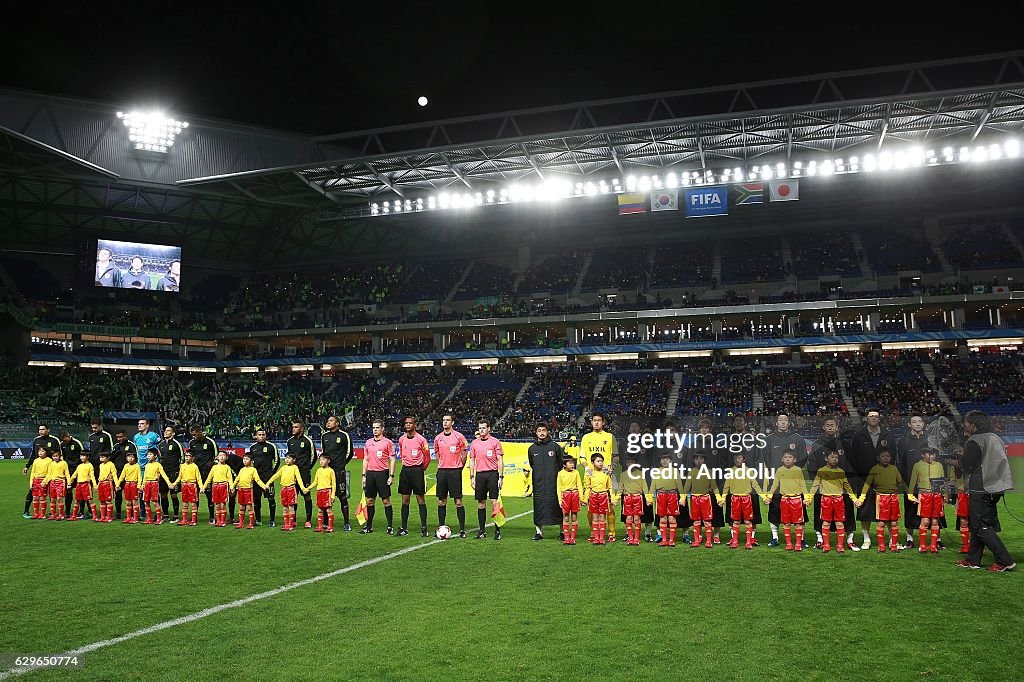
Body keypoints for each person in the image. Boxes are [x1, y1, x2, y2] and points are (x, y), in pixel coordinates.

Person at [955, 410, 1016, 572]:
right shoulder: (995, 437)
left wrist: (953, 461)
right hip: (996, 487)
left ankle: (1004, 560)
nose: (964, 425)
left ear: (973, 426)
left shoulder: (975, 440)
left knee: (980, 526)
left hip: (981, 486)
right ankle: (973, 560)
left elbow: (967, 465)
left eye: (966, 423)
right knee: (981, 524)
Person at [807, 416, 856, 549]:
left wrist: (850, 481)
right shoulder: (817, 443)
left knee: (847, 514)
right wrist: (817, 480)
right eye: (827, 425)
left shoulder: (844, 444)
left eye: (832, 425)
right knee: (821, 515)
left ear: (837, 427)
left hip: (842, 487)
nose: (830, 427)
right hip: (823, 487)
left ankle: (850, 539)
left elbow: (852, 463)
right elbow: (812, 463)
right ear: (823, 427)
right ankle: (820, 539)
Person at [848, 409, 892, 550]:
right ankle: (866, 538)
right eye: (871, 416)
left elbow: (894, 457)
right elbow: (853, 458)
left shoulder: (888, 435)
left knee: (887, 509)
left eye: (876, 416)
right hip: (863, 478)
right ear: (866, 418)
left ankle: (891, 539)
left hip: (884, 478)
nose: (873, 418)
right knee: (864, 509)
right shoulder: (859, 436)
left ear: (880, 419)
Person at [762, 413, 805, 548]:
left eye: (785, 420)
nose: (782, 422)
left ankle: (801, 539)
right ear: (776, 423)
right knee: (775, 510)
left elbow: (803, 459)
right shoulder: (769, 440)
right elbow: (766, 459)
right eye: (780, 420)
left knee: (799, 510)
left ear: (789, 423)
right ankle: (775, 537)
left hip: (794, 483)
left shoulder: (797, 439)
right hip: (776, 481)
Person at [809, 449, 860, 553]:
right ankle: (826, 545)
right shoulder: (821, 471)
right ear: (826, 458)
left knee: (839, 523)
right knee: (826, 523)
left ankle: (840, 546)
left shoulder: (841, 471)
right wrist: (809, 498)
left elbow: (847, 486)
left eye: (836, 457)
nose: (835, 459)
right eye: (832, 457)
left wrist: (855, 499)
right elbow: (815, 485)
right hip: (826, 500)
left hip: (838, 500)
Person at [857, 449, 906, 553]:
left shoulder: (894, 468)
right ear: (878, 458)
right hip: (881, 499)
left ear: (891, 458)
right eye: (883, 456)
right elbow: (867, 484)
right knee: (881, 523)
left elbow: (901, 482)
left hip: (893, 498)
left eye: (888, 456)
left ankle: (894, 544)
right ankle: (881, 546)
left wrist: (909, 493)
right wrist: (861, 498)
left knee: (894, 523)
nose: (886, 458)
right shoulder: (874, 469)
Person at [580, 412, 618, 542]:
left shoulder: (610, 437)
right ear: (591, 422)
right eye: (594, 420)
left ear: (603, 422)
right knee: (591, 508)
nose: (596, 422)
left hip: (607, 475)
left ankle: (612, 532)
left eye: (599, 420)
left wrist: (612, 467)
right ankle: (593, 532)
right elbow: (582, 457)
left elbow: (616, 455)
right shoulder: (586, 438)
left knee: (610, 507)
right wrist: (586, 467)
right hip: (591, 476)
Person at [761, 451, 810, 552]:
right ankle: (788, 544)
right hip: (784, 500)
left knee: (798, 523)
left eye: (790, 457)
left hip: (796, 500)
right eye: (785, 457)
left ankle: (798, 543)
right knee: (786, 523)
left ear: (794, 460)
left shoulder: (798, 470)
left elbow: (803, 485)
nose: (788, 459)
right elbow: (775, 485)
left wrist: (807, 498)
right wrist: (769, 496)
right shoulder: (779, 470)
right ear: (782, 459)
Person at [527, 422, 567, 541]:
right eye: (539, 430)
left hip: (554, 483)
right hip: (538, 484)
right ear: (536, 432)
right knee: (538, 507)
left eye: (543, 430)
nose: (542, 432)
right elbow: (532, 464)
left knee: (558, 506)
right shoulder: (532, 449)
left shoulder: (555, 447)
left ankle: (562, 531)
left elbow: (561, 463)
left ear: (547, 431)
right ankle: (539, 532)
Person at [895, 413, 929, 548]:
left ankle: (936, 539)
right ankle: (910, 538)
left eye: (920, 421)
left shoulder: (930, 439)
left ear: (924, 424)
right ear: (909, 424)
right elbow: (900, 463)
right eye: (914, 422)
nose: (917, 424)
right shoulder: (903, 441)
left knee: (931, 511)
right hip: (910, 483)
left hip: (929, 484)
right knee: (910, 510)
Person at [718, 451, 764, 550]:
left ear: (744, 459)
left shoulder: (749, 471)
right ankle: (735, 541)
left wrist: (764, 497)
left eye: (739, 458)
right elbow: (726, 486)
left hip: (746, 499)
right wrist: (722, 499)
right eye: (735, 458)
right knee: (736, 521)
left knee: (748, 521)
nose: (737, 460)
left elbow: (755, 485)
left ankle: (748, 542)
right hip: (735, 499)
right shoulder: (731, 471)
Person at [433, 413, 469, 538]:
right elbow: (437, 453)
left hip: (455, 471)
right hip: (442, 471)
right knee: (441, 501)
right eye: (443, 420)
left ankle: (462, 529)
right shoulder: (438, 438)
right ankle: (441, 527)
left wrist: (459, 468)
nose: (445, 422)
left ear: (452, 423)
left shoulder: (459, 437)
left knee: (458, 501)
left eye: (448, 420)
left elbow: (464, 455)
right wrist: (442, 464)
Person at [469, 419, 504, 540]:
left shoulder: (495, 442)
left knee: (494, 503)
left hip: (492, 475)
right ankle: (482, 531)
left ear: (488, 428)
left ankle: (497, 531)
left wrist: (501, 476)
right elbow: (472, 460)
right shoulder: (474, 443)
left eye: (484, 428)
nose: (481, 430)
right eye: (480, 428)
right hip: (480, 475)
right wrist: (472, 477)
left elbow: (500, 460)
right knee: (481, 503)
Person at [907, 446, 946, 554]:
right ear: (922, 454)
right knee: (925, 521)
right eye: (929, 454)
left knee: (935, 521)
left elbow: (942, 482)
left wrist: (944, 495)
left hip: (936, 496)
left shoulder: (939, 465)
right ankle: (922, 545)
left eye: (933, 454)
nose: (931, 456)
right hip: (924, 495)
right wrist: (910, 495)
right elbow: (912, 482)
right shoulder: (917, 465)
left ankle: (933, 545)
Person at [396, 416, 431, 537]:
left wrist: (421, 470)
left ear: (415, 425)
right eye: (406, 423)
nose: (408, 425)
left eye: (410, 423)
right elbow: (401, 453)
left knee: (420, 499)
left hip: (417, 471)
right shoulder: (401, 439)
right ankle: (404, 528)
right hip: (405, 471)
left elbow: (427, 458)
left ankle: (424, 528)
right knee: (405, 500)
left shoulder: (421, 440)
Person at [360, 420, 395, 534]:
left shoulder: (387, 443)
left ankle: (390, 527)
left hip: (382, 474)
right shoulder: (368, 442)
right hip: (370, 473)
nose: (375, 429)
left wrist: (391, 475)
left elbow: (392, 459)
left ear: (382, 429)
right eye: (373, 427)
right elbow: (365, 459)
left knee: (386, 500)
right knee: (370, 501)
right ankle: (369, 527)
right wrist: (364, 475)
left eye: (377, 428)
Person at [320, 416, 353, 531]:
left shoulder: (344, 435)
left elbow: (350, 452)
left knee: (342, 496)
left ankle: (346, 522)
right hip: (327, 471)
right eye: (328, 420)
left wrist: (341, 464)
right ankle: (324, 523)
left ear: (337, 423)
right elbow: (324, 453)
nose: (328, 422)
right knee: (325, 495)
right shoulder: (324, 436)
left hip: (339, 471)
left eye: (331, 421)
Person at [23, 424, 60, 519]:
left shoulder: (54, 440)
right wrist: (27, 466)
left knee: (52, 493)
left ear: (48, 430)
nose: (41, 431)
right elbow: (33, 454)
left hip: (51, 471)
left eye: (43, 429)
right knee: (32, 493)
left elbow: (58, 454)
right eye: (39, 429)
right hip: (37, 470)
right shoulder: (36, 440)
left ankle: (52, 513)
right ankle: (26, 511)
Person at [682, 451, 718, 548]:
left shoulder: (709, 472)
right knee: (696, 521)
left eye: (701, 458)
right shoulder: (691, 472)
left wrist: (719, 498)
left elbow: (714, 487)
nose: (699, 461)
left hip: (705, 498)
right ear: (693, 460)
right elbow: (686, 487)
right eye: (697, 458)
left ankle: (709, 541)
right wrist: (682, 498)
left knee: (707, 521)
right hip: (694, 499)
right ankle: (697, 540)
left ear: (705, 460)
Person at [287, 421, 317, 529]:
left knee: (306, 495)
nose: (293, 429)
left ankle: (308, 520)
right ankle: (293, 520)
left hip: (304, 473)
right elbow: (289, 457)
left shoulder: (308, 441)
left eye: (296, 427)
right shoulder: (289, 441)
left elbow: (314, 457)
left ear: (302, 429)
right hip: (292, 474)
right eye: (293, 427)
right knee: (293, 497)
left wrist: (307, 468)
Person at [652, 453, 686, 548]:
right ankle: (664, 540)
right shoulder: (657, 471)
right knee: (662, 518)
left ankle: (671, 540)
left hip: (672, 495)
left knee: (672, 518)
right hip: (661, 495)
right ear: (660, 461)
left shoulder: (675, 471)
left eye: (667, 459)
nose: (664, 461)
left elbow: (680, 485)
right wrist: (649, 498)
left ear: (670, 461)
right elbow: (653, 485)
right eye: (663, 459)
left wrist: (683, 498)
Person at [187, 425, 218, 524]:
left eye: (195, 434)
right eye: (192, 434)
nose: (193, 436)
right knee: (195, 495)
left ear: (200, 432)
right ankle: (194, 517)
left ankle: (212, 517)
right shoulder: (192, 443)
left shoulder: (210, 442)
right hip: (196, 472)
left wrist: (212, 464)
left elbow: (217, 455)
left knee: (209, 495)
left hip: (207, 472)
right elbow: (190, 455)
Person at [250, 429, 280, 528]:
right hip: (256, 479)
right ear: (256, 436)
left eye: (263, 434)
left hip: (268, 477)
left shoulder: (271, 446)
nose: (262, 436)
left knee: (271, 498)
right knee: (256, 500)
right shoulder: (252, 448)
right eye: (259, 435)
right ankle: (258, 520)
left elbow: (277, 461)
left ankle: (272, 520)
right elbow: (249, 462)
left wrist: (272, 474)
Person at [265, 453, 302, 531]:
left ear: (294, 460)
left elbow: (299, 478)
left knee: (291, 507)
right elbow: (275, 476)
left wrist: (303, 488)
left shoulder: (295, 468)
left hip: (291, 489)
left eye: (289, 458)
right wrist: (268, 483)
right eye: (286, 458)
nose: (287, 460)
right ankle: (286, 524)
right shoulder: (283, 468)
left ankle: (291, 524)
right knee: (285, 507)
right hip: (283, 489)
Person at [301, 454, 337, 533]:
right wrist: (308, 489)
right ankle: (320, 526)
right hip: (319, 492)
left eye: (323, 460)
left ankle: (330, 527)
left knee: (328, 510)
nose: (321, 461)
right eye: (320, 460)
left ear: (328, 461)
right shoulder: (318, 470)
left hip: (327, 492)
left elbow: (334, 484)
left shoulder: (331, 471)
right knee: (320, 510)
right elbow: (315, 482)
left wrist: (333, 495)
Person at [620, 453, 649, 546]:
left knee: (636, 518)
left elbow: (645, 486)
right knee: (628, 518)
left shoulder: (640, 474)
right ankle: (630, 538)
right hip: (627, 498)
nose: (630, 463)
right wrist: (615, 499)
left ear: (636, 463)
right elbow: (621, 487)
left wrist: (648, 499)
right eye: (628, 461)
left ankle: (636, 539)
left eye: (632, 461)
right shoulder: (623, 474)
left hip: (637, 497)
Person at [233, 454, 268, 530]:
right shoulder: (242, 469)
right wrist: (232, 486)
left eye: (246, 459)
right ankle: (241, 523)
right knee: (241, 507)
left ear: (251, 461)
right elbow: (237, 479)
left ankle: (251, 523)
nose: (244, 461)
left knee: (249, 507)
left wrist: (263, 486)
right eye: (244, 459)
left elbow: (257, 479)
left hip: (248, 490)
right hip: (240, 490)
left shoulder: (253, 470)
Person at [157, 426, 184, 524]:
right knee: (163, 494)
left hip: (174, 472)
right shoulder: (161, 445)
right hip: (164, 473)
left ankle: (176, 516)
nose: (165, 432)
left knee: (173, 494)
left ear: (173, 433)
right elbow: (159, 459)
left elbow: (182, 458)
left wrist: (179, 471)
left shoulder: (177, 444)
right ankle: (166, 515)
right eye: (165, 430)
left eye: (168, 431)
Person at [584, 453, 613, 545]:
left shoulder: (606, 473)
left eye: (601, 461)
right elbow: (588, 487)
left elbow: (610, 487)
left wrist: (613, 498)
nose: (600, 463)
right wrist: (585, 499)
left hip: (603, 497)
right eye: (598, 461)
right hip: (593, 497)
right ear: (592, 463)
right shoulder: (589, 473)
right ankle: (596, 538)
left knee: (602, 517)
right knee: (595, 517)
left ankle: (602, 538)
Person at [201, 451, 234, 527]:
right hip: (215, 486)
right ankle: (218, 521)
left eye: (223, 455)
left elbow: (230, 478)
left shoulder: (227, 467)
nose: (222, 457)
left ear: (226, 457)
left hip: (223, 486)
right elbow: (209, 478)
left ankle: (223, 521)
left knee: (223, 504)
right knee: (217, 505)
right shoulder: (214, 467)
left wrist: (232, 487)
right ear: (217, 457)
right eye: (220, 455)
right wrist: (203, 487)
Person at [141, 448, 173, 525]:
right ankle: (149, 519)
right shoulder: (147, 465)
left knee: (155, 502)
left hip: (154, 484)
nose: (148, 456)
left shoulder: (158, 465)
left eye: (150, 454)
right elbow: (145, 476)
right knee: (146, 502)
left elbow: (163, 474)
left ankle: (159, 519)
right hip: (147, 484)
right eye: (148, 455)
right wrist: (142, 485)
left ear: (155, 456)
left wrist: (169, 483)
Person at [172, 450, 203, 526]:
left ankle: (193, 520)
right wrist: (174, 483)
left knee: (193, 504)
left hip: (192, 486)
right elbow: (180, 476)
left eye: (189, 456)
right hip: (184, 486)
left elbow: (198, 478)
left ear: (192, 458)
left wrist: (201, 487)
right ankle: (184, 520)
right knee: (185, 504)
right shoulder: (182, 466)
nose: (187, 458)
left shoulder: (195, 466)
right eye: (186, 456)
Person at [110, 430, 136, 521]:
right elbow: (111, 460)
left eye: (120, 437)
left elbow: (135, 459)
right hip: (117, 473)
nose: (119, 439)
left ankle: (132, 514)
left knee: (130, 495)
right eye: (117, 437)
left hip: (129, 474)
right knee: (118, 494)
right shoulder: (116, 446)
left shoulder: (131, 445)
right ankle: (118, 513)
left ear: (125, 436)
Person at [58, 431, 85, 520]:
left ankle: (81, 512)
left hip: (77, 470)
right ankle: (67, 511)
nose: (64, 441)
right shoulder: (62, 444)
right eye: (63, 440)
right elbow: (62, 456)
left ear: (68, 436)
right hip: (67, 471)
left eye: (65, 438)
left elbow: (83, 455)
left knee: (80, 491)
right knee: (68, 491)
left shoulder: (77, 443)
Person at [558, 457, 584, 545]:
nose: (572, 464)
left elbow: (579, 485)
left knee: (574, 516)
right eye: (570, 463)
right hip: (565, 495)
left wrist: (581, 497)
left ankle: (573, 538)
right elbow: (558, 488)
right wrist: (560, 500)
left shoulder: (576, 472)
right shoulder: (560, 473)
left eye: (573, 463)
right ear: (564, 465)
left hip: (574, 495)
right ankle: (566, 538)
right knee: (565, 516)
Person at [68, 450, 98, 521]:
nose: (81, 457)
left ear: (88, 457)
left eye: (83, 456)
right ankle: (74, 516)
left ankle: (95, 515)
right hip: (79, 485)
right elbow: (74, 475)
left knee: (90, 500)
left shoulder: (90, 465)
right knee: (77, 500)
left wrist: (95, 485)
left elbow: (92, 476)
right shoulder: (79, 466)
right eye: (81, 456)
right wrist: (69, 482)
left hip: (86, 485)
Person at [115, 451, 141, 524]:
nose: (131, 458)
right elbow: (122, 476)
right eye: (129, 457)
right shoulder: (126, 466)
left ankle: (135, 518)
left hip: (134, 484)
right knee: (128, 502)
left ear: (135, 458)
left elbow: (139, 476)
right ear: (126, 458)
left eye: (132, 457)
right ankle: (128, 517)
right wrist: (118, 484)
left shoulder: (137, 466)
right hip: (127, 485)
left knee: (134, 501)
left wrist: (139, 486)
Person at [43, 450, 70, 520]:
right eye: (53, 456)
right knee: (52, 499)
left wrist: (69, 483)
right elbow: (49, 473)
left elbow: (67, 473)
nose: (55, 458)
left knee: (59, 499)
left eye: (56, 456)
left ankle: (61, 515)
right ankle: (53, 515)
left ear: (60, 456)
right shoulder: (51, 464)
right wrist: (45, 481)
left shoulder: (64, 463)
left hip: (60, 482)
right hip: (52, 483)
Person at [27, 444, 52, 520]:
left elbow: (50, 473)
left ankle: (43, 514)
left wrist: (45, 481)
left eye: (43, 451)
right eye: (39, 451)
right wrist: (31, 482)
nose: (40, 452)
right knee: (35, 497)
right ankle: (36, 514)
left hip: (43, 481)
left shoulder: (49, 461)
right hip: (35, 481)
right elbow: (33, 472)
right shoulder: (36, 460)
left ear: (46, 452)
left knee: (42, 498)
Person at [96, 452, 118, 523]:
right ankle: (103, 517)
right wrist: (98, 485)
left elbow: (114, 474)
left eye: (103, 457)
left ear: (108, 457)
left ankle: (109, 517)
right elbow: (100, 476)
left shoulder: (111, 464)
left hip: (108, 483)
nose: (101, 458)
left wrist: (117, 484)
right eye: (100, 457)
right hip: (101, 484)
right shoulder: (101, 465)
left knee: (108, 501)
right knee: (102, 501)